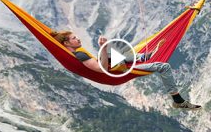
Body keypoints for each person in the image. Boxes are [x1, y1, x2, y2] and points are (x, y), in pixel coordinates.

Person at [49, 31, 200, 110]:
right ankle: (178, 101)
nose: (79, 39)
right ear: (67, 42)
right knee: (164, 66)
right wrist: (103, 47)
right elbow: (102, 69)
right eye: (74, 38)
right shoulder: (79, 54)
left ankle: (144, 56)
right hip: (113, 74)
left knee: (114, 54)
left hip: (115, 68)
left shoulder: (76, 54)